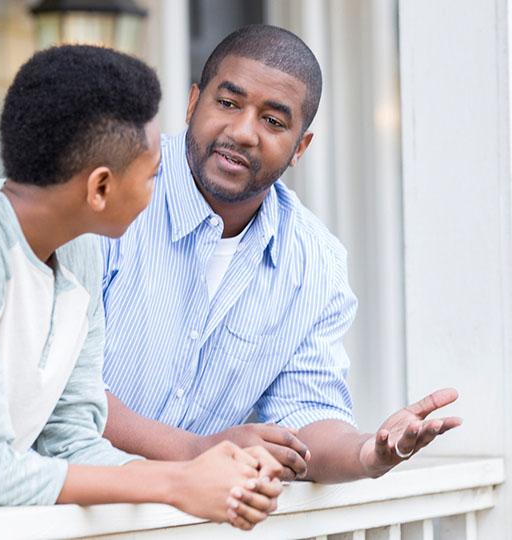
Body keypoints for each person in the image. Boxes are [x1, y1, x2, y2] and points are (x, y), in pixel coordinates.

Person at [0, 44, 282, 530]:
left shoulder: (76, 251)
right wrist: (173, 484)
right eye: (153, 176)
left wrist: (202, 477)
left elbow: (70, 438)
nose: (159, 193)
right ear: (99, 188)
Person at [100, 24, 462, 483]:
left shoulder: (315, 263)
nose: (244, 132)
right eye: (227, 103)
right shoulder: (110, 191)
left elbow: (306, 414)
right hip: (47, 511)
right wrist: (195, 451)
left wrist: (369, 453)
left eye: (273, 121)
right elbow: (62, 386)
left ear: (300, 148)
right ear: (193, 102)